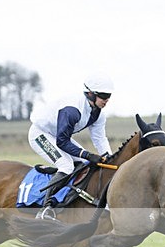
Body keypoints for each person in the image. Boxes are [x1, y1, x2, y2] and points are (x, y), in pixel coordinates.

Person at [27, 73, 114, 218]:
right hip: (40, 134)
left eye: (109, 96)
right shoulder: (72, 110)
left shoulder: (99, 114)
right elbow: (62, 142)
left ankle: (68, 200)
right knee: (66, 165)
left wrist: (110, 158)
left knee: (84, 164)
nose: (106, 100)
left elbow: (100, 139)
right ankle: (45, 208)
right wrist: (87, 154)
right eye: (103, 96)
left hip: (57, 135)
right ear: (91, 94)